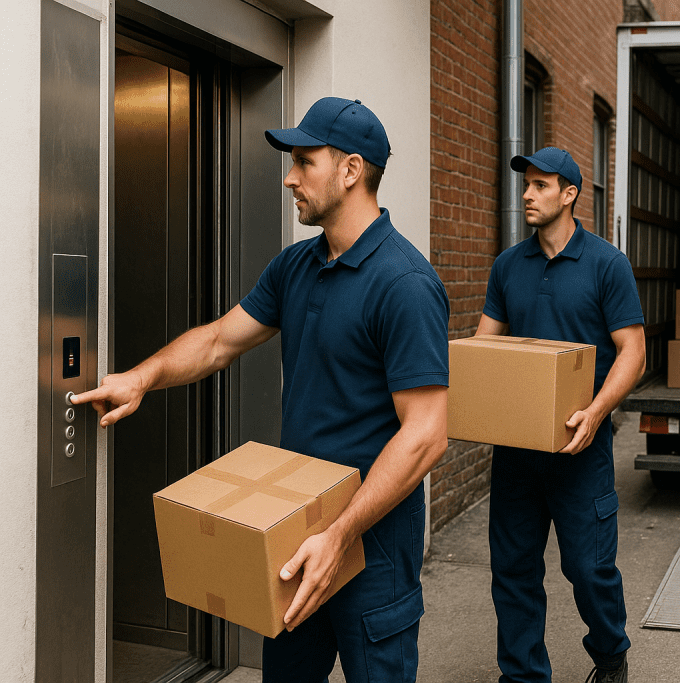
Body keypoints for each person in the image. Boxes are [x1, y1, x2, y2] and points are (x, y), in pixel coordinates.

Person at [74, 97, 450, 683]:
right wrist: (141, 377)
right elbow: (220, 340)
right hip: (297, 531)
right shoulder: (295, 266)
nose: (290, 177)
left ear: (351, 170)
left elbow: (426, 436)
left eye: (304, 161)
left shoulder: (404, 284)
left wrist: (340, 533)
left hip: (372, 545)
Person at [475, 147, 646, 683]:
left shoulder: (606, 264)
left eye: (541, 185)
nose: (527, 194)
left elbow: (634, 352)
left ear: (570, 194)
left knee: (589, 570)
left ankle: (611, 653)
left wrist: (595, 413)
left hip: (580, 448)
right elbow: (486, 348)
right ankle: (523, 675)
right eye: (526, 185)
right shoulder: (508, 265)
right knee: (514, 570)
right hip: (517, 452)